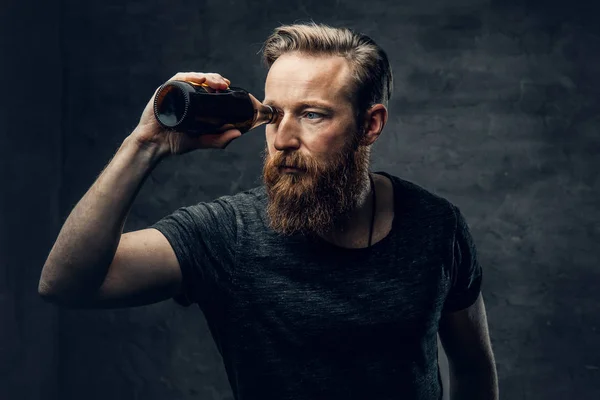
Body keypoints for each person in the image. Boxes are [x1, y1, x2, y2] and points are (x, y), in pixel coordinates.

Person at [39, 22, 499, 400]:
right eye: (274, 114)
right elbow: (65, 283)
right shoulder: (226, 234)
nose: (283, 139)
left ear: (370, 124)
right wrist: (144, 145)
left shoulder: (437, 226)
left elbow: (474, 369)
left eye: (313, 114)